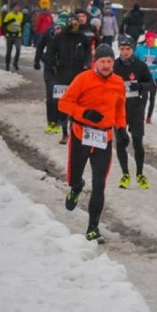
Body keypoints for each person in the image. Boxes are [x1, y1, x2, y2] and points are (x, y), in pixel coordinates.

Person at [58, 43, 127, 244]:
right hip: (81, 134)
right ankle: (76, 187)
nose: (106, 65)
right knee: (74, 176)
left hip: (103, 138)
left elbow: (120, 108)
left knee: (100, 184)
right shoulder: (83, 79)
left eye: (109, 61)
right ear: (95, 62)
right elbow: (64, 103)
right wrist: (84, 113)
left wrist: (121, 129)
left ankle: (93, 228)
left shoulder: (118, 82)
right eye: (102, 61)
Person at [113, 34, 154, 190]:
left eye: (128, 49)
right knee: (121, 142)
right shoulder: (114, 66)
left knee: (138, 142)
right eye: (122, 49)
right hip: (119, 109)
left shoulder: (140, 66)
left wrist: (141, 87)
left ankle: (140, 174)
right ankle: (125, 174)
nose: (124, 52)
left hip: (136, 107)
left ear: (133, 49)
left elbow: (151, 84)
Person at [47, 13, 92, 144]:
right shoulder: (59, 37)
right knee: (62, 104)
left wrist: (87, 64)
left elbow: (88, 52)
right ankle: (64, 133)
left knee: (77, 103)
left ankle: (75, 130)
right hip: (62, 75)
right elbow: (50, 53)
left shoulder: (83, 38)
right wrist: (54, 65)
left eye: (76, 21)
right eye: (71, 21)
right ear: (67, 23)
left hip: (78, 76)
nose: (74, 23)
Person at [34, 17, 65, 134]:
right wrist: (38, 60)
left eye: (61, 29)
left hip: (62, 70)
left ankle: (58, 122)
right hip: (49, 69)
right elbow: (40, 46)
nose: (58, 31)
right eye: (57, 28)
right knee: (50, 96)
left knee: (58, 97)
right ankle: (50, 121)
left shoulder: (66, 38)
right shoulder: (48, 34)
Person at [134, 31, 157, 124]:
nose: (150, 41)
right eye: (148, 39)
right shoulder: (140, 49)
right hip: (143, 76)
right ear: (146, 39)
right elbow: (135, 60)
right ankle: (142, 116)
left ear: (155, 40)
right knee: (143, 97)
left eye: (152, 39)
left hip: (154, 76)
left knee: (152, 97)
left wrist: (155, 62)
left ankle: (149, 117)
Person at [3, 2, 24, 70]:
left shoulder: (21, 15)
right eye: (16, 7)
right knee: (9, 51)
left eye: (18, 7)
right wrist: (11, 21)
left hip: (17, 35)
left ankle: (15, 63)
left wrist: (21, 31)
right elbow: (4, 24)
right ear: (13, 8)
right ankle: (7, 65)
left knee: (18, 49)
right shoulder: (9, 15)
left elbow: (21, 24)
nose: (17, 9)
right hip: (10, 35)